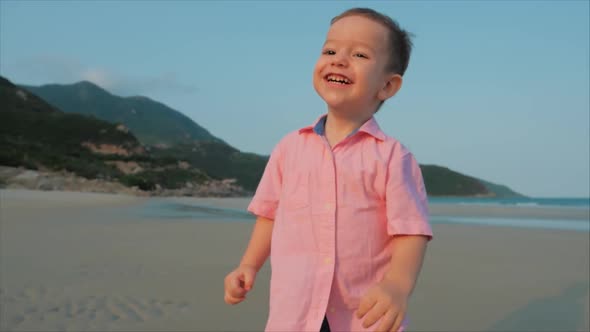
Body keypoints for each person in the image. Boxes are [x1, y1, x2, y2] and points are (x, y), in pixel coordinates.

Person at [224, 7, 433, 332]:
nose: (338, 59)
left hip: (361, 315)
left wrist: (397, 286)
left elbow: (410, 231)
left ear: (388, 86)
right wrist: (248, 264)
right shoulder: (289, 148)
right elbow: (270, 214)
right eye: (330, 50)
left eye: (360, 54)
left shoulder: (392, 157)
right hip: (295, 310)